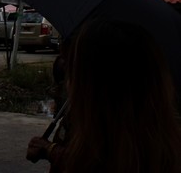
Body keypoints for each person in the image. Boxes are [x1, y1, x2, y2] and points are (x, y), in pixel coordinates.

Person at [26, 19, 181, 173]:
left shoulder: (98, 138)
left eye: (74, 71)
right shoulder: (160, 143)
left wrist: (51, 150)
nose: (67, 81)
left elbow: (88, 161)